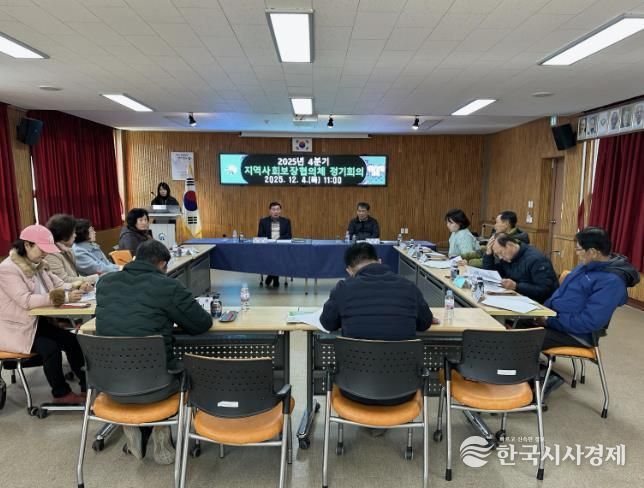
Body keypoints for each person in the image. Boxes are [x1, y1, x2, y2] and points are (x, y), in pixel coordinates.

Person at [95, 240, 212, 464]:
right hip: (157, 386)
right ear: (162, 264)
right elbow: (201, 324)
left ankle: (132, 425)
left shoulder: (105, 283)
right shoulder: (167, 286)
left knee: (134, 360)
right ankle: (161, 431)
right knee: (185, 372)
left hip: (110, 384)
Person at [320, 243, 432, 407]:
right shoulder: (408, 287)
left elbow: (327, 323)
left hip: (353, 390)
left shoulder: (343, 289)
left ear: (349, 271)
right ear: (379, 261)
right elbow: (425, 323)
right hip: (403, 391)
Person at [534, 227, 639, 397]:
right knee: (517, 324)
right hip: (556, 320)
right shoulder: (587, 266)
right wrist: (542, 311)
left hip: (578, 334)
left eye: (579, 249)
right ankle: (534, 372)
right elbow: (560, 294)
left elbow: (589, 322)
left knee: (524, 339)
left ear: (593, 252)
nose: (577, 253)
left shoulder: (612, 282)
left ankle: (543, 379)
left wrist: (550, 320)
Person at [0, 225, 87, 404]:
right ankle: (61, 394)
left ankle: (88, 384)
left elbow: (59, 284)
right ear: (27, 245)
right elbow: (25, 300)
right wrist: (64, 297)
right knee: (50, 348)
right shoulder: (8, 269)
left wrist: (77, 286)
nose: (45, 254)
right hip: (17, 329)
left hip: (36, 323)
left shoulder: (39, 265)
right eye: (42, 249)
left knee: (73, 340)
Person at [483, 232, 558, 303]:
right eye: (497, 255)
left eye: (500, 252)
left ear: (510, 245)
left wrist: (516, 286)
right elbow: (491, 276)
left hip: (537, 303)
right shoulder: (507, 258)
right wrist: (488, 255)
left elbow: (545, 290)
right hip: (517, 298)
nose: (500, 257)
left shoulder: (536, 260)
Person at [44, 214, 98, 287]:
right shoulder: (51, 255)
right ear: (65, 234)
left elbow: (75, 276)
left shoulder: (67, 250)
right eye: (73, 232)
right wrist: (95, 278)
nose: (75, 235)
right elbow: (64, 280)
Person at [463, 210, 530, 267]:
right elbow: (484, 251)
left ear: (506, 224)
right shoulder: (500, 236)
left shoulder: (513, 241)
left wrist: (469, 262)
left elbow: (496, 260)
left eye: (497, 222)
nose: (495, 226)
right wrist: (463, 256)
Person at [257, 201, 292, 287]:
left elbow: (289, 235)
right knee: (273, 256)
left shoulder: (286, 221)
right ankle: (275, 278)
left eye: (278, 209)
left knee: (278, 256)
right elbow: (260, 235)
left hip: (281, 248)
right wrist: (271, 241)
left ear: (280, 210)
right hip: (267, 248)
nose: (276, 211)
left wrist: (277, 240)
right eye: (273, 209)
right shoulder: (263, 221)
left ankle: (271, 275)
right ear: (270, 211)